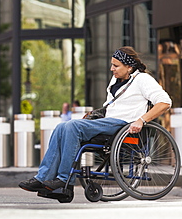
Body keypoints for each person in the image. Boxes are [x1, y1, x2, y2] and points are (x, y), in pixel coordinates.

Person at [19, 46, 172, 193]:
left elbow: (165, 102)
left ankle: (64, 180)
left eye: (116, 66)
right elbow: (110, 107)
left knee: (73, 126)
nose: (112, 69)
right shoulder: (114, 81)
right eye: (112, 65)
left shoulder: (143, 79)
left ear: (129, 67)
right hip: (108, 122)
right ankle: (43, 178)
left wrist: (142, 120)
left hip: (124, 125)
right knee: (62, 127)